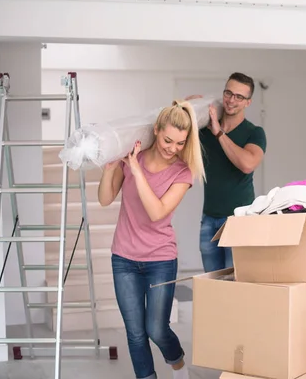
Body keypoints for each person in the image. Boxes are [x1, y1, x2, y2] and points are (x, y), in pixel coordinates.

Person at [98, 100, 204, 379]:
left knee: (156, 329)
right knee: (135, 333)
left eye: (180, 143)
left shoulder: (183, 172)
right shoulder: (137, 157)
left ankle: (179, 366)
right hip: (123, 258)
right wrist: (110, 168)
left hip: (160, 260)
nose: (172, 148)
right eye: (168, 139)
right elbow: (105, 199)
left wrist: (136, 171)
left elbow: (157, 212)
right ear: (156, 130)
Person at [186, 72, 267, 272]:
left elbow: (247, 164)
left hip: (239, 221)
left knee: (236, 286)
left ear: (248, 102)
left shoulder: (254, 132)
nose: (232, 100)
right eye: (228, 93)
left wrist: (219, 133)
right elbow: (178, 119)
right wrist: (193, 105)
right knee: (212, 285)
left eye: (239, 97)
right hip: (209, 220)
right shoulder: (205, 129)